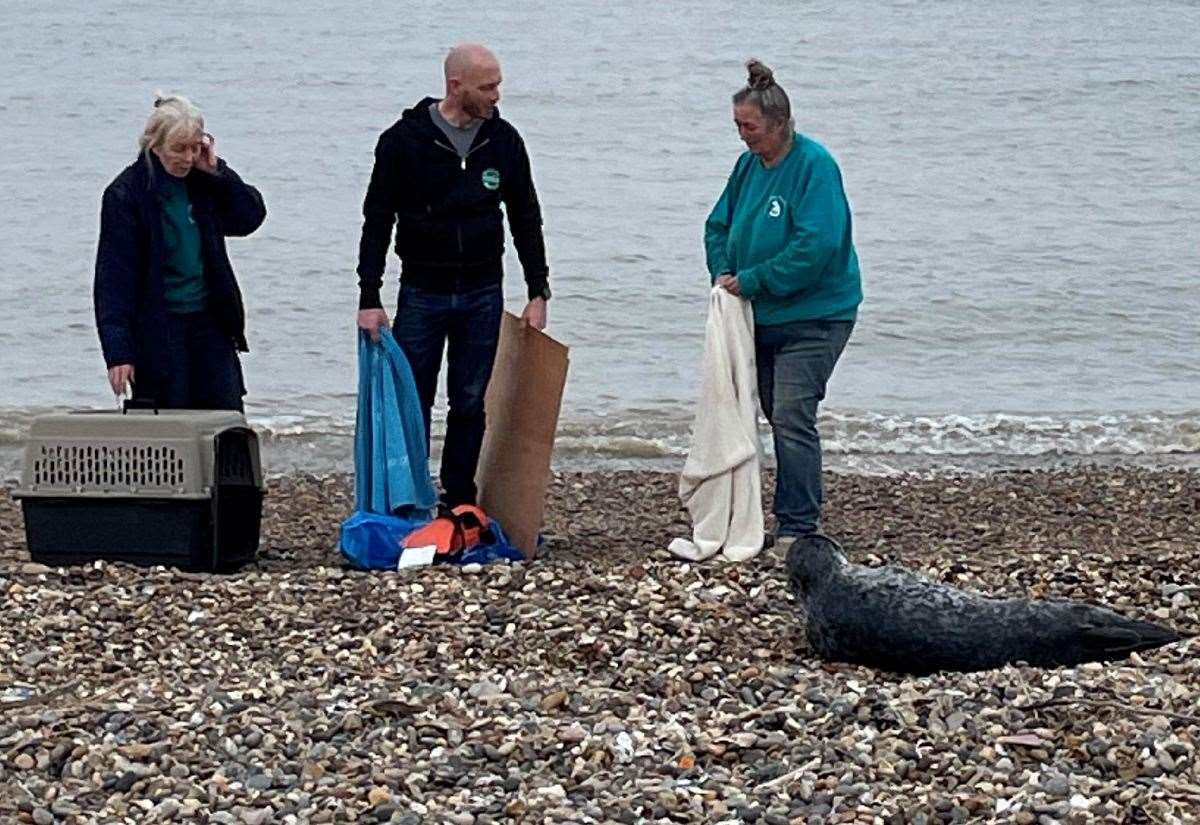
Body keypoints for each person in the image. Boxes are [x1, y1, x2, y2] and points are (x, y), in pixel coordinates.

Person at [356, 43, 551, 508]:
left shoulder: (503, 142)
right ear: (455, 85)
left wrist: (537, 290)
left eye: (499, 85)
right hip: (422, 290)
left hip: (482, 290)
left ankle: (459, 494)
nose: (497, 96)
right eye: (488, 87)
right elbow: (377, 219)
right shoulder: (403, 141)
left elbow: (526, 216)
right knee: (413, 399)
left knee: (469, 400)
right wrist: (369, 295)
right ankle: (410, 493)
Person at [704, 59, 862, 553]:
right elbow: (718, 224)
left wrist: (753, 279)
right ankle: (772, 512)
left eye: (748, 127)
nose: (742, 136)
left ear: (779, 124)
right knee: (773, 412)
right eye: (737, 126)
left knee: (793, 414)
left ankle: (798, 526)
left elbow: (815, 247)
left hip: (817, 316)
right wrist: (722, 272)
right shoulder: (748, 166)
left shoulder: (815, 166)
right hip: (759, 316)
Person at [94, 94, 266, 411]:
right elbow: (113, 281)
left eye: (194, 147)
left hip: (210, 323)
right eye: (179, 149)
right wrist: (118, 352)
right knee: (167, 423)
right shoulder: (125, 195)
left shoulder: (204, 182)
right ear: (154, 146)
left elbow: (249, 218)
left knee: (224, 421)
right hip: (158, 328)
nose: (187, 158)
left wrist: (218, 172)